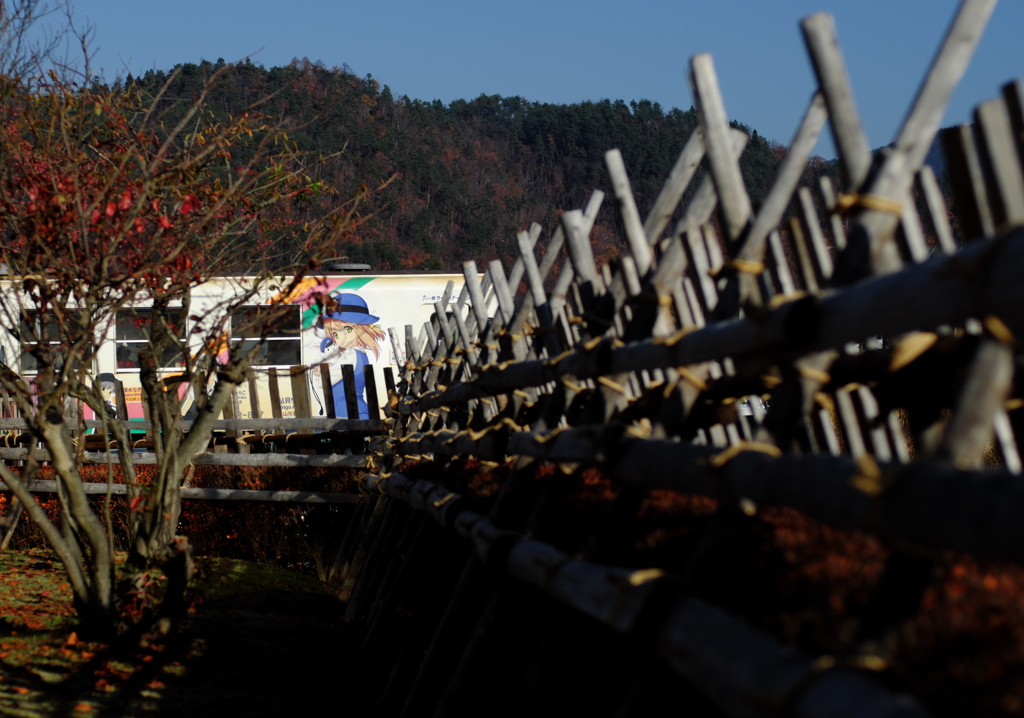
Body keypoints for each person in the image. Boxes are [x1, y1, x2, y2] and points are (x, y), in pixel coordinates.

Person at [312, 293, 385, 419]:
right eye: (334, 333)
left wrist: (323, 373)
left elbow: (324, 382)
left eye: (348, 329)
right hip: (353, 412)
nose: (340, 336)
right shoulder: (360, 354)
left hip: (350, 413)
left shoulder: (350, 354)